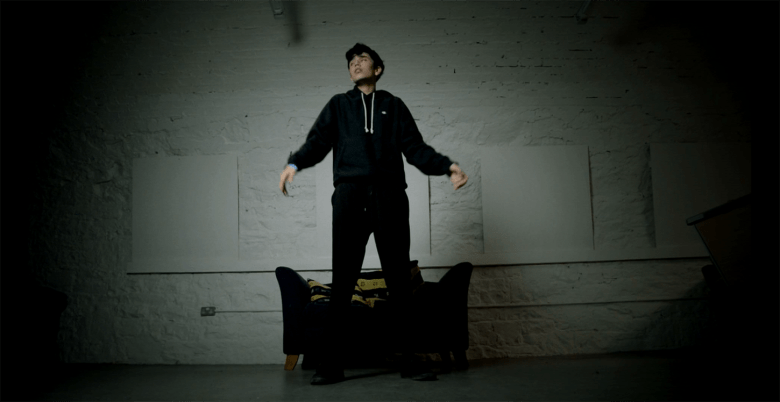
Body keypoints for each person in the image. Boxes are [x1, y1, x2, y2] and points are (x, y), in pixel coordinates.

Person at [279, 43, 468, 385]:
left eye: (362, 59)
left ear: (377, 69)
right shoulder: (339, 105)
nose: (355, 63)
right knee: (343, 280)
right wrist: (294, 163)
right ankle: (331, 365)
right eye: (351, 60)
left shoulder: (394, 106)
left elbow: (414, 148)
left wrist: (447, 166)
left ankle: (410, 362)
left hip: (389, 195)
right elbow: (318, 141)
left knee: (399, 281)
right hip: (349, 195)